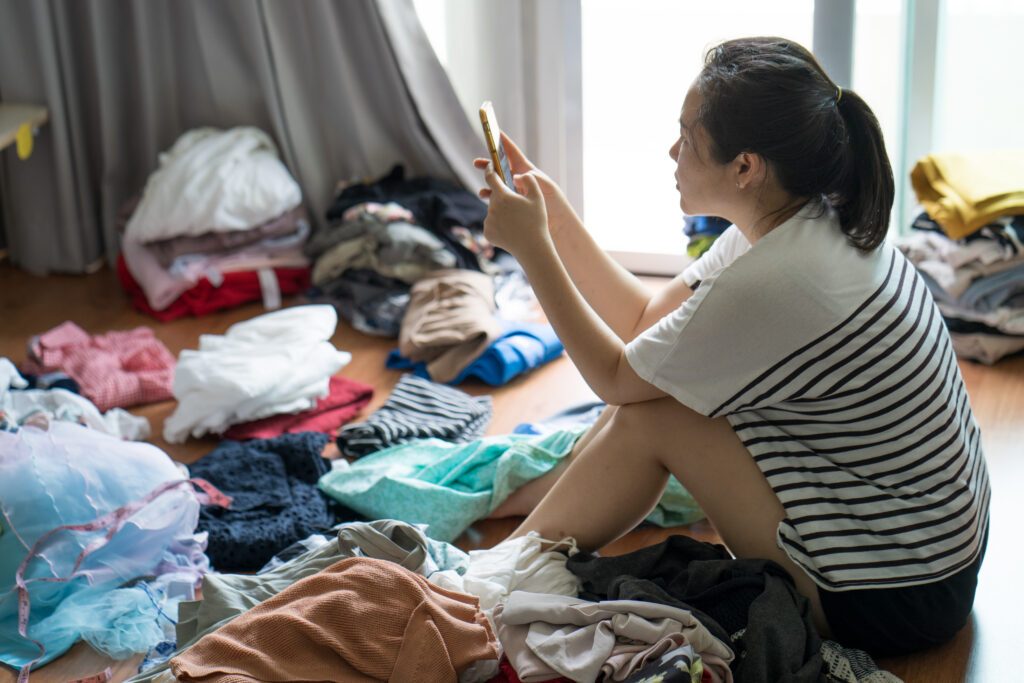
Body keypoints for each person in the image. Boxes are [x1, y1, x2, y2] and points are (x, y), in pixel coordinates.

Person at [474, 36, 990, 657]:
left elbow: (615, 376)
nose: (671, 150)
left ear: (745, 167)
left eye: (687, 137)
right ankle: (508, 562)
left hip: (892, 595)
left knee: (656, 414)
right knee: (659, 393)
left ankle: (486, 584)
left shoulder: (780, 279)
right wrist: (553, 218)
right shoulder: (799, 216)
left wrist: (532, 252)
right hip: (925, 557)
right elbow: (645, 323)